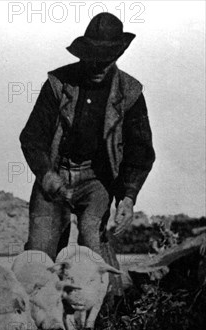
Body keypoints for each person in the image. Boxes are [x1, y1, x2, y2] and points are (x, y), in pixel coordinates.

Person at [19, 12, 156, 281]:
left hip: (98, 182)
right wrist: (47, 176)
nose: (99, 66)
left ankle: (104, 310)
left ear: (117, 56)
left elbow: (140, 151)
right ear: (82, 55)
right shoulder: (58, 84)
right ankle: (44, 314)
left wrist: (128, 197)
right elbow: (32, 137)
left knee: (93, 246)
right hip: (56, 176)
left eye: (107, 60)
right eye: (93, 58)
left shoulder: (130, 93)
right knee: (40, 256)